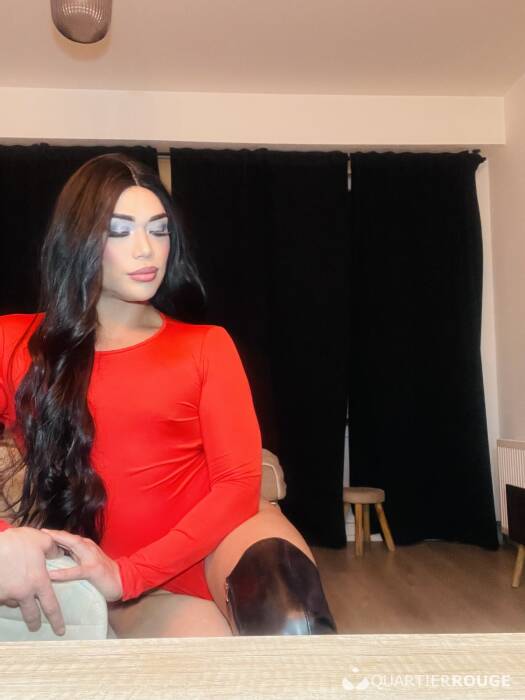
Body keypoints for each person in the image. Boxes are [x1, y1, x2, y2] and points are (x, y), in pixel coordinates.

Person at [0, 152, 337, 638]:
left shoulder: (205, 346)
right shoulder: (15, 346)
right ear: (76, 240)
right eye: (119, 231)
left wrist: (130, 574)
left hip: (222, 540)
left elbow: (237, 485)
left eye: (158, 230)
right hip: (129, 583)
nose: (146, 249)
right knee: (210, 665)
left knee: (291, 620)